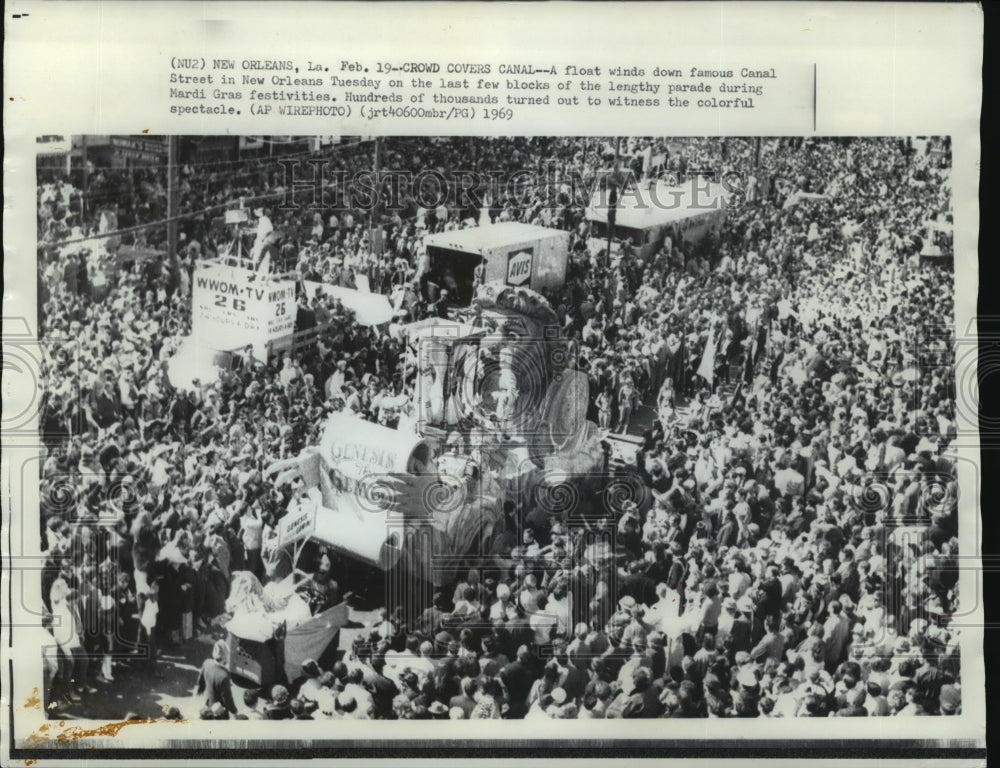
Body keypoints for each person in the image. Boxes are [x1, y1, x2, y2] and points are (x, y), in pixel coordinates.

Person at [196, 639, 238, 717]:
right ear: (225, 658)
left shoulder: (207, 663)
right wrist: (235, 712)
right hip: (219, 709)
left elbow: (200, 679)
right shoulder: (224, 676)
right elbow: (227, 699)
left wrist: (200, 689)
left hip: (208, 702)